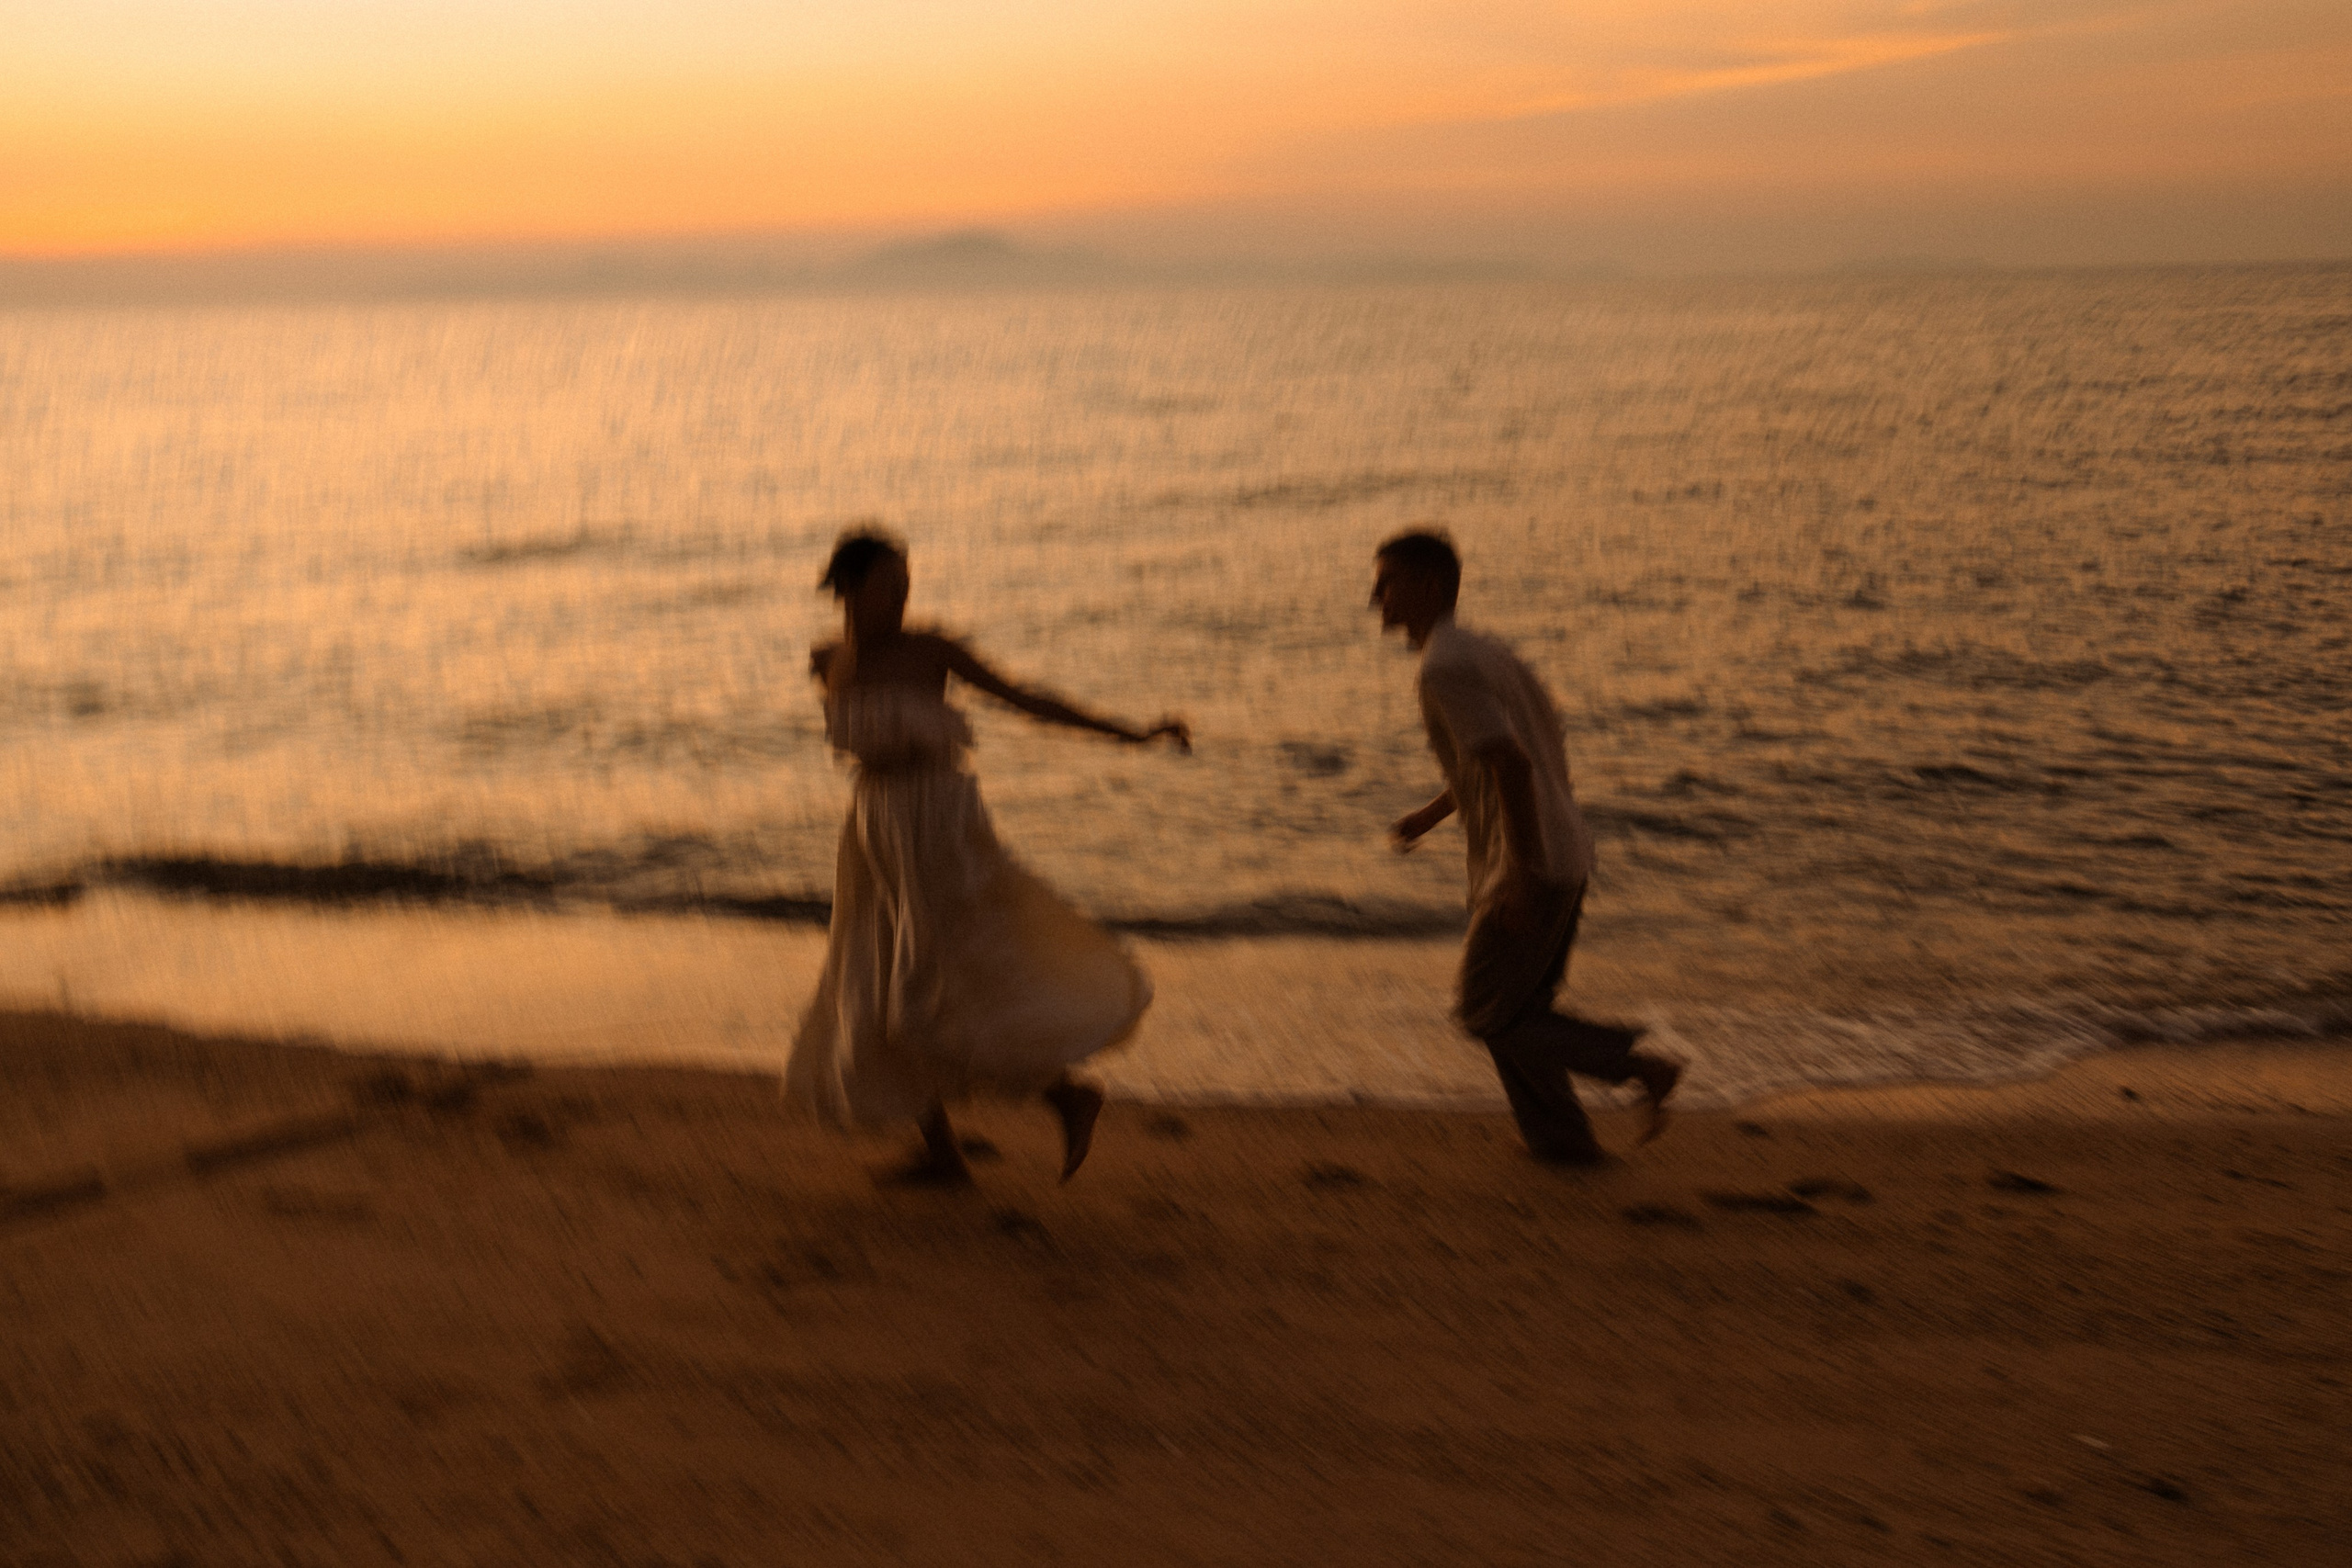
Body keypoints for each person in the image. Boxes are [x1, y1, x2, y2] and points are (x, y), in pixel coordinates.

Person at [785, 530, 1190, 1185]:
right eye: (891, 583)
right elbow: (850, 693)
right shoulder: (830, 658)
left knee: (940, 977)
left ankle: (1064, 1092)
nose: (905, 594)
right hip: (877, 831)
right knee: (873, 973)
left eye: (908, 581)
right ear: (853, 589)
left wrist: (1133, 733)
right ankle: (944, 1153)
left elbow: (1027, 699)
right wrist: (859, 633)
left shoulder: (933, 648)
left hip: (940, 821)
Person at [1372, 530, 1681, 1164]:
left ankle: (1640, 1066)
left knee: (1484, 1011)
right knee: (1520, 1010)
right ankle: (1562, 1142)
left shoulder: (1444, 666)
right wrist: (1430, 817)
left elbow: (1511, 765)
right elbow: (1497, 760)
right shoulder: (1487, 653)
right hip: (1563, 851)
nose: (1375, 596)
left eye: (1387, 581)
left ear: (1429, 586)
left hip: (1533, 860)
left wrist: (1521, 872)